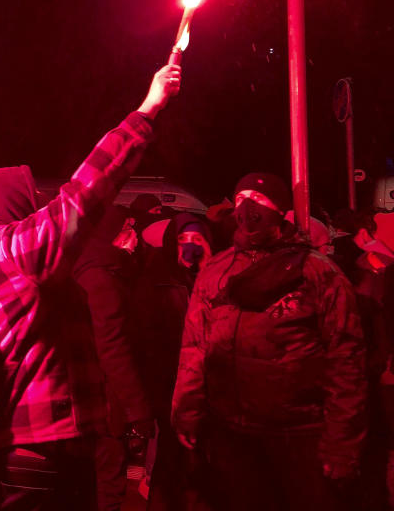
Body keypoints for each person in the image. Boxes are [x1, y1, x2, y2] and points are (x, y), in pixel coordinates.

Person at [0, 64, 180, 511]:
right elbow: (84, 193)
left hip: (17, 446)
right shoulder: (12, 249)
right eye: (33, 203)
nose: (41, 211)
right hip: (37, 449)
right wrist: (147, 109)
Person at [172, 173, 368, 511]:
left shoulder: (317, 272)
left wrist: (341, 443)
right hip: (233, 434)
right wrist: (186, 411)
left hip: (300, 435)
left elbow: (346, 359)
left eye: (259, 200)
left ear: (281, 211)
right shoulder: (216, 271)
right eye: (242, 198)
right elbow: (196, 348)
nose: (248, 207)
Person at [69, 206, 153, 511]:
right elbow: (113, 347)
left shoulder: (96, 268)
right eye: (127, 229)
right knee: (109, 477)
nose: (134, 236)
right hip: (104, 400)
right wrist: (137, 407)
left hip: (90, 394)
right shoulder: (102, 279)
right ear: (110, 236)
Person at [130, 212, 212, 510]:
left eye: (198, 239)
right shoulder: (155, 283)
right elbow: (147, 343)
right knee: (173, 466)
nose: (190, 247)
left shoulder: (219, 280)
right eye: (182, 240)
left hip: (211, 393)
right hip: (171, 390)